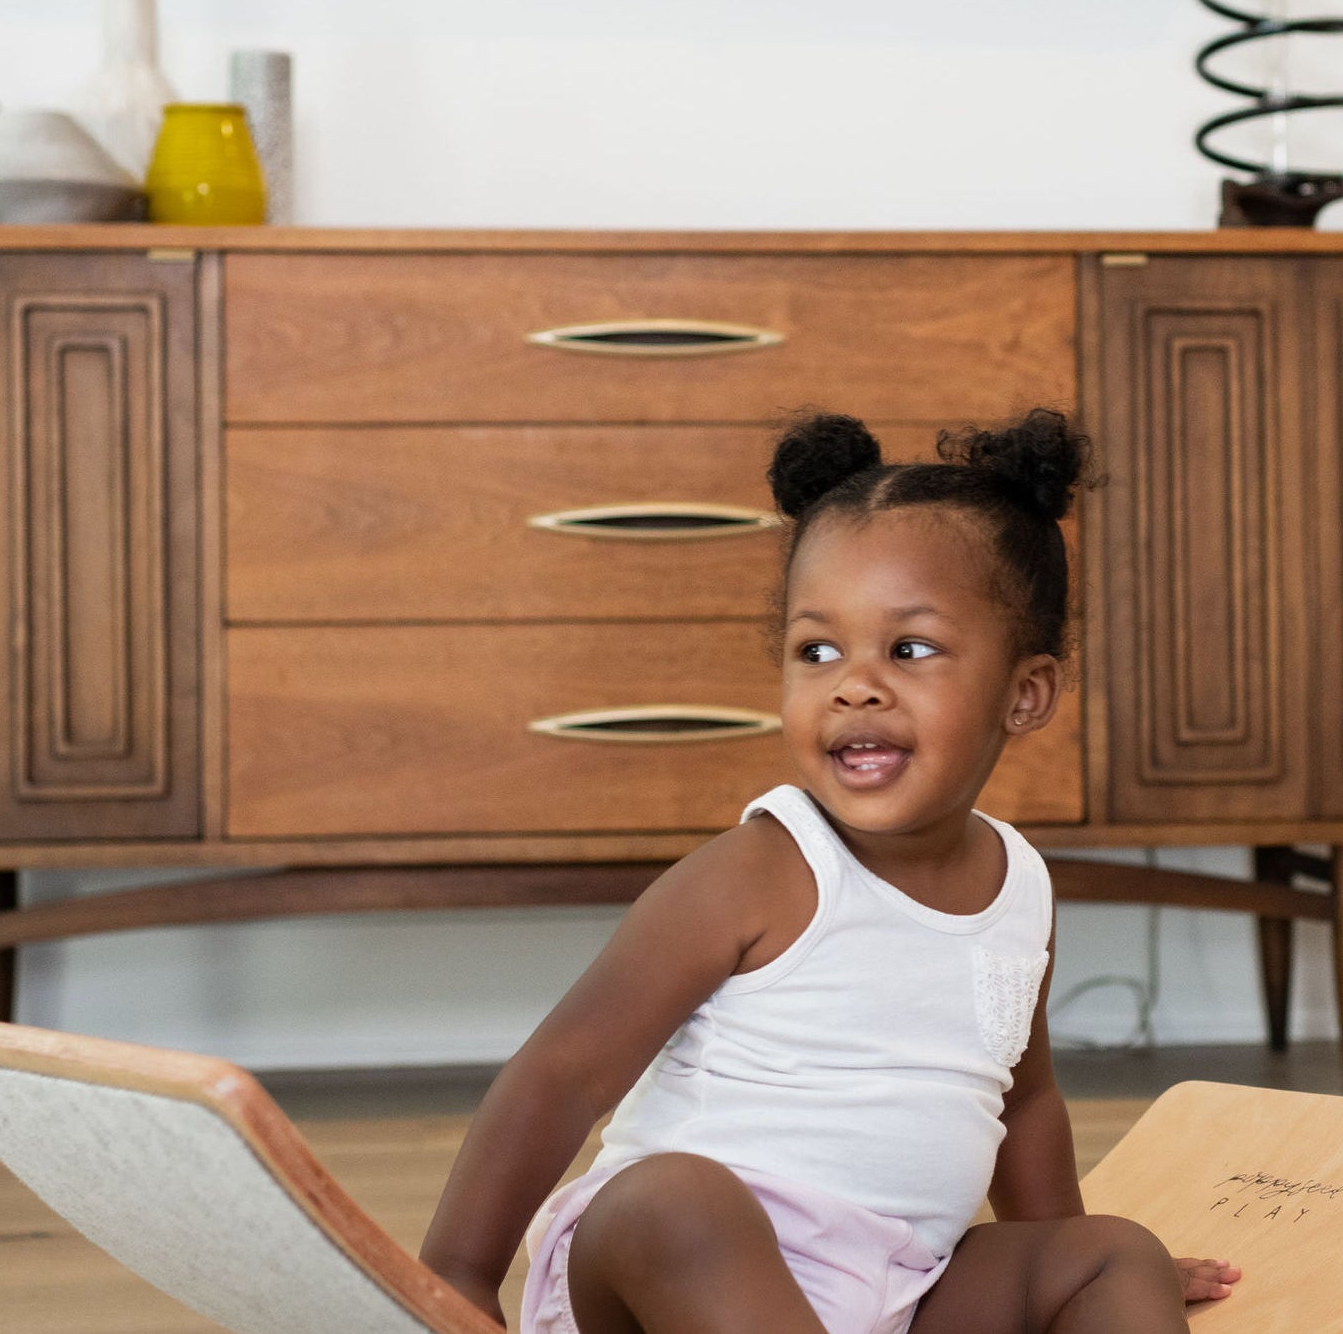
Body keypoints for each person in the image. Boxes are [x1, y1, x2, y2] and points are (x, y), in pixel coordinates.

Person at [419, 409, 1240, 1333]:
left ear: (1025, 692)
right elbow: (559, 1076)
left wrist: (1056, 1276)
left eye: (909, 649)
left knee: (1116, 1253)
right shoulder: (757, 873)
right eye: (818, 650)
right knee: (675, 1198)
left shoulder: (1021, 888)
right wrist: (457, 1273)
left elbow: (1027, 1099)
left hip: (895, 1290)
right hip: (664, 1288)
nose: (854, 683)